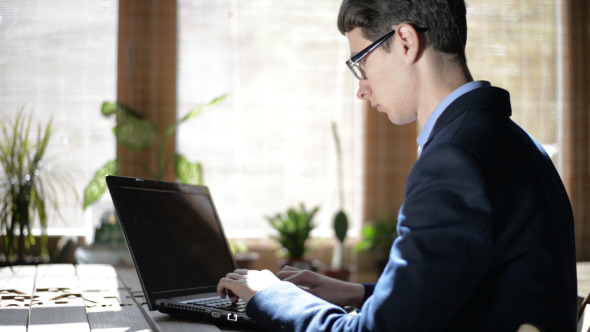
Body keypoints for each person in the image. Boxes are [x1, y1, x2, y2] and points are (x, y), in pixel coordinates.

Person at [217, 0, 578, 330]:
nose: (361, 89)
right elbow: (480, 293)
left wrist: (270, 294)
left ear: (405, 41)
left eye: (361, 61)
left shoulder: (455, 159)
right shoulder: (511, 140)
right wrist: (359, 293)